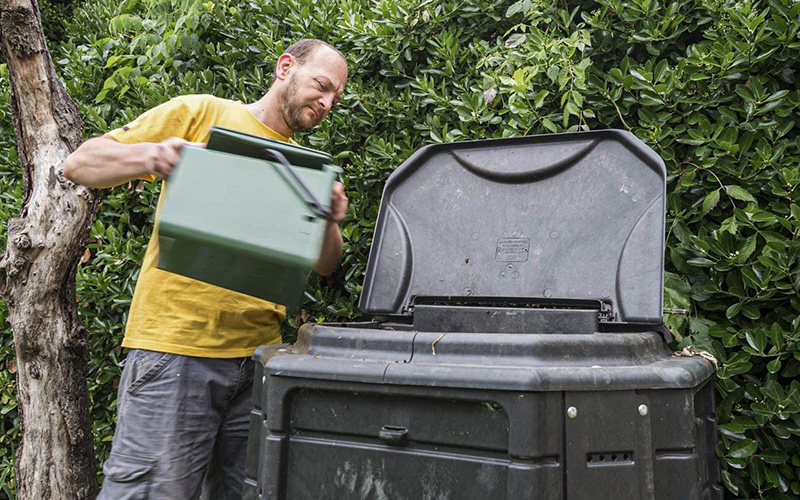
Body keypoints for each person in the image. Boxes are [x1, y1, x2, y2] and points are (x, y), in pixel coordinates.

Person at [63, 39, 349, 499]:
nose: (328, 102)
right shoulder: (203, 113)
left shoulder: (306, 169)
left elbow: (326, 263)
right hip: (175, 353)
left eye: (336, 96)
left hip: (258, 365)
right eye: (322, 85)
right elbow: (80, 163)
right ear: (285, 67)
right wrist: (153, 157)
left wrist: (331, 219)